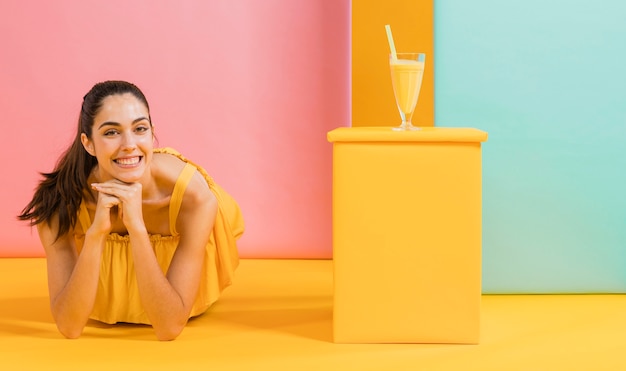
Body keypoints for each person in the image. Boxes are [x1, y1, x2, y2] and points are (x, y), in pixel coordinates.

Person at [18, 80, 244, 341]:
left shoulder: (193, 198)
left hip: (179, 303)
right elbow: (69, 326)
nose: (129, 144)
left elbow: (169, 327)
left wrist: (137, 227)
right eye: (111, 132)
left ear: (152, 133)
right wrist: (96, 234)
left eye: (139, 129)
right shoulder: (59, 201)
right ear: (88, 143)